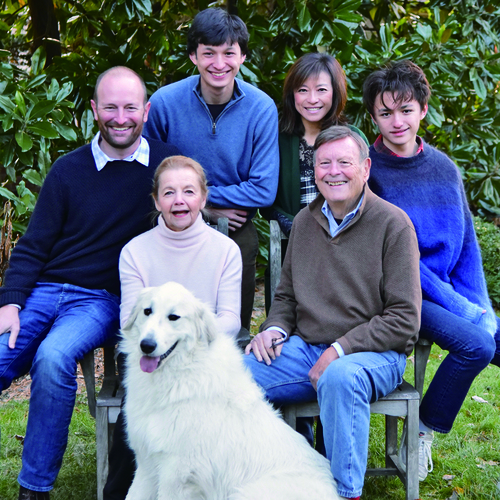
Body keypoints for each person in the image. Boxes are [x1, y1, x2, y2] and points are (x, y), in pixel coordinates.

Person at [0, 66, 180, 500]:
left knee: (53, 357)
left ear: (146, 111)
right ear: (95, 110)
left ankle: (33, 490)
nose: (120, 118)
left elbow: (189, 205)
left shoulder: (164, 167)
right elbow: (34, 244)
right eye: (110, 108)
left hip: (99, 299)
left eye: (130, 108)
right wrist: (10, 303)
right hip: (45, 290)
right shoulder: (68, 169)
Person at [245, 125, 421, 500]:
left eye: (344, 162)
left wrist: (339, 349)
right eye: (324, 163)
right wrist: (274, 329)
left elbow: (404, 319)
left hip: (374, 355)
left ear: (365, 168)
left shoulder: (393, 225)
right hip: (307, 349)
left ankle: (344, 493)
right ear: (314, 171)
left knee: (340, 377)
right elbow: (286, 296)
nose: (333, 171)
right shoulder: (305, 221)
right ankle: (276, 475)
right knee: (236, 374)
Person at [363, 59, 500, 482]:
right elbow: (393, 257)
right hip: (399, 292)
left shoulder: (444, 169)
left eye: (406, 110)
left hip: (445, 290)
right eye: (385, 112)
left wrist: (478, 305)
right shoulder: (367, 171)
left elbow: (467, 248)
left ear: (423, 109)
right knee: (476, 346)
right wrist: (460, 308)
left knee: (490, 334)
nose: (397, 122)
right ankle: (420, 432)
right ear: (373, 117)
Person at [103, 155, 242, 500]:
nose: (179, 201)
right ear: (156, 201)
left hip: (202, 359)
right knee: (139, 440)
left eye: (189, 191)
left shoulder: (226, 250)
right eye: (169, 193)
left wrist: (190, 333)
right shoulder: (135, 251)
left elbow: (231, 318)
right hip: (148, 361)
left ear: (203, 198)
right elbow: (129, 317)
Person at [143, 7, 279, 333]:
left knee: (244, 248)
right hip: (173, 217)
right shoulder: (165, 103)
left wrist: (207, 202)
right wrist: (204, 206)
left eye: (229, 53)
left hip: (235, 223)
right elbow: (148, 175)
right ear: (193, 56)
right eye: (209, 53)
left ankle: (235, 339)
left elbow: (263, 189)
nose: (219, 64)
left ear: (243, 57)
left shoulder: (261, 108)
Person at [266, 52, 367, 237]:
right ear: (292, 94)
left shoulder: (353, 138)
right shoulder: (275, 139)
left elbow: (366, 195)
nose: (312, 99)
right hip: (293, 242)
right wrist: (295, 225)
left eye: (321, 90)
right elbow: (267, 198)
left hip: (346, 241)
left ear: (335, 91)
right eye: (302, 90)